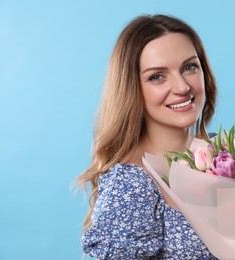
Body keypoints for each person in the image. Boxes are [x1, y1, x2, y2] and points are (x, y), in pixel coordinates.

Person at [77, 14, 218, 259]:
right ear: (132, 89)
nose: (183, 87)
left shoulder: (224, 154)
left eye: (189, 67)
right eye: (157, 76)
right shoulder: (131, 183)